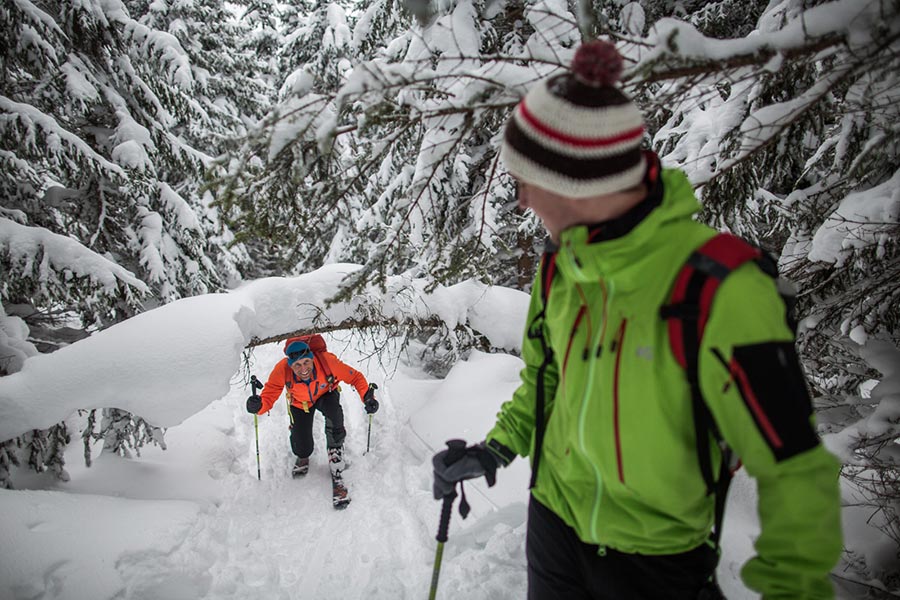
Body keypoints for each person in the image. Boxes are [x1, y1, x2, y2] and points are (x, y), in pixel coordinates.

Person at [431, 40, 841, 599]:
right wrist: (495, 449)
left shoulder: (719, 288)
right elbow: (545, 383)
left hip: (655, 562)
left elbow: (792, 467)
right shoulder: (559, 273)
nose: (522, 199)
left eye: (522, 180)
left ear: (568, 181)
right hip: (552, 528)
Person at [247, 337, 379, 476]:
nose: (303, 369)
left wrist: (368, 398)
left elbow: (355, 377)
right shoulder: (282, 369)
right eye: (297, 365)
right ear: (290, 365)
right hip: (299, 403)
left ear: (312, 358)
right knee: (302, 445)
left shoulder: (327, 361)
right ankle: (303, 455)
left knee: (335, 414)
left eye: (306, 362)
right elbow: (270, 394)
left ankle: (335, 449)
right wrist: (258, 406)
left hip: (326, 393)